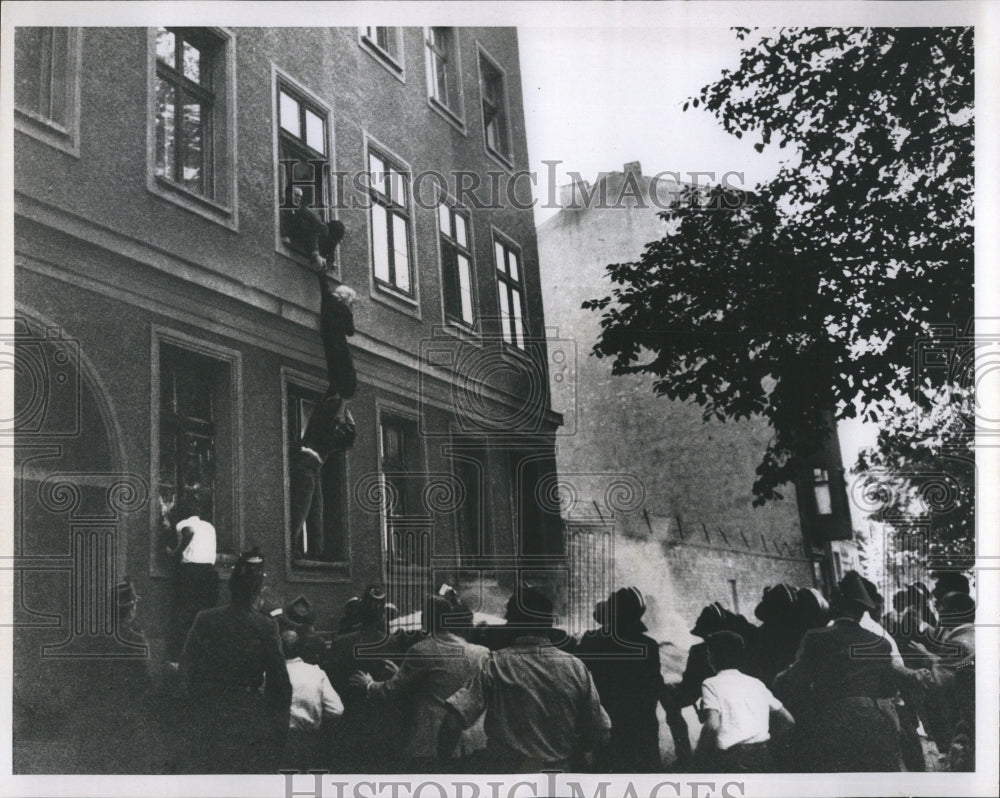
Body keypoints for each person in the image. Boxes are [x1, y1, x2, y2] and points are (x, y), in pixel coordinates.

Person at [439, 585, 611, 772]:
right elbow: (600, 733)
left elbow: (453, 722)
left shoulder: (493, 664)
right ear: (548, 624)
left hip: (505, 778)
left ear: (512, 624)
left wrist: (444, 766)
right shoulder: (576, 668)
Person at [773, 571, 905, 772]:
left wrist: (780, 680)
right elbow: (888, 688)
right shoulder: (882, 642)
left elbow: (796, 682)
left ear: (837, 606)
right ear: (863, 611)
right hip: (877, 722)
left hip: (834, 723)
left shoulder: (816, 638)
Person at [178, 548, 292, 774]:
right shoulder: (266, 626)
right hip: (248, 723)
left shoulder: (205, 619)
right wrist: (277, 734)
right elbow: (280, 685)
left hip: (207, 721)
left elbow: (185, 672)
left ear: (232, 586)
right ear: (259, 590)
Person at [349, 593, 490, 773]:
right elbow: (445, 680)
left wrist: (369, 684)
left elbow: (393, 688)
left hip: (433, 740)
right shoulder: (479, 652)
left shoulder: (421, 650)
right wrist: (401, 673)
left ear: (426, 619)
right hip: (472, 740)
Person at [289, 262, 358, 559]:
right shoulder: (332, 422)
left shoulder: (329, 417)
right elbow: (351, 331)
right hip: (309, 464)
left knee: (308, 508)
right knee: (307, 508)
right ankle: (304, 550)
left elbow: (326, 293)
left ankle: (305, 551)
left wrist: (320, 272)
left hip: (310, 465)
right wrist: (344, 407)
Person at [575, 586, 665, 772]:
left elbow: (578, 672)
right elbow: (655, 685)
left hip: (608, 718)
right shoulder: (648, 645)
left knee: (608, 775)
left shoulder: (593, 640)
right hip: (642, 722)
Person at [662, 600, 757, 770]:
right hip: (748, 717)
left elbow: (689, 689)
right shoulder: (744, 646)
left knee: (670, 701)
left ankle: (684, 758)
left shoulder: (700, 653)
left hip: (718, 714)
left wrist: (672, 692)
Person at [324, 584, 405, 772]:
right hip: (381, 723)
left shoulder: (341, 642)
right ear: (382, 615)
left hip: (349, 721)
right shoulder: (391, 643)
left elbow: (332, 681)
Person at [693, 631, 794, 773]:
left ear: (713, 657)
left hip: (732, 759)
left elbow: (712, 726)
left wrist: (698, 757)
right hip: (763, 757)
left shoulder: (711, 684)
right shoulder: (756, 683)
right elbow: (788, 720)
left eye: (709, 653)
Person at [916, 591, 976, 771]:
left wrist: (926, 658)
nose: (938, 610)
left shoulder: (957, 642)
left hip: (960, 717)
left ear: (956, 611)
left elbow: (942, 680)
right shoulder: (974, 635)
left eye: (943, 606)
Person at [282, 629, 344, 772]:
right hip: (311, 740)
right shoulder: (316, 672)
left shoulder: (269, 674)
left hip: (280, 741)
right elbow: (337, 710)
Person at [165, 494, 218, 660]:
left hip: (191, 573)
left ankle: (180, 656)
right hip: (209, 574)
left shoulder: (184, 523)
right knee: (205, 614)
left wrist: (176, 552)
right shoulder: (209, 526)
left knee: (184, 614)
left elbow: (189, 532)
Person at [281, 185, 345, 271]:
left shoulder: (330, 241)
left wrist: (328, 265)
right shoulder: (321, 228)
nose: (299, 199)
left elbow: (331, 256)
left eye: (300, 196)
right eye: (296, 195)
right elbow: (312, 233)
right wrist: (316, 255)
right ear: (288, 195)